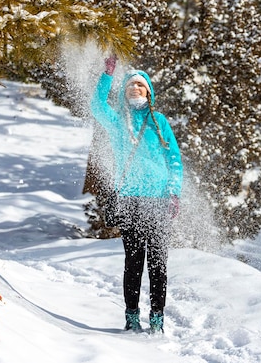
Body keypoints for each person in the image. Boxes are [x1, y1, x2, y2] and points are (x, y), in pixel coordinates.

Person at [90, 54, 183, 334]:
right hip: (130, 200)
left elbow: (174, 158)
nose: (135, 89)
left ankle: (157, 318)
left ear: (149, 91)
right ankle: (131, 316)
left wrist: (175, 192)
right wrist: (107, 75)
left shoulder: (160, 122)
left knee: (158, 263)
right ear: (124, 91)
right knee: (133, 262)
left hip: (158, 201)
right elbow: (96, 106)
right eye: (130, 86)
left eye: (140, 86)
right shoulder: (118, 121)